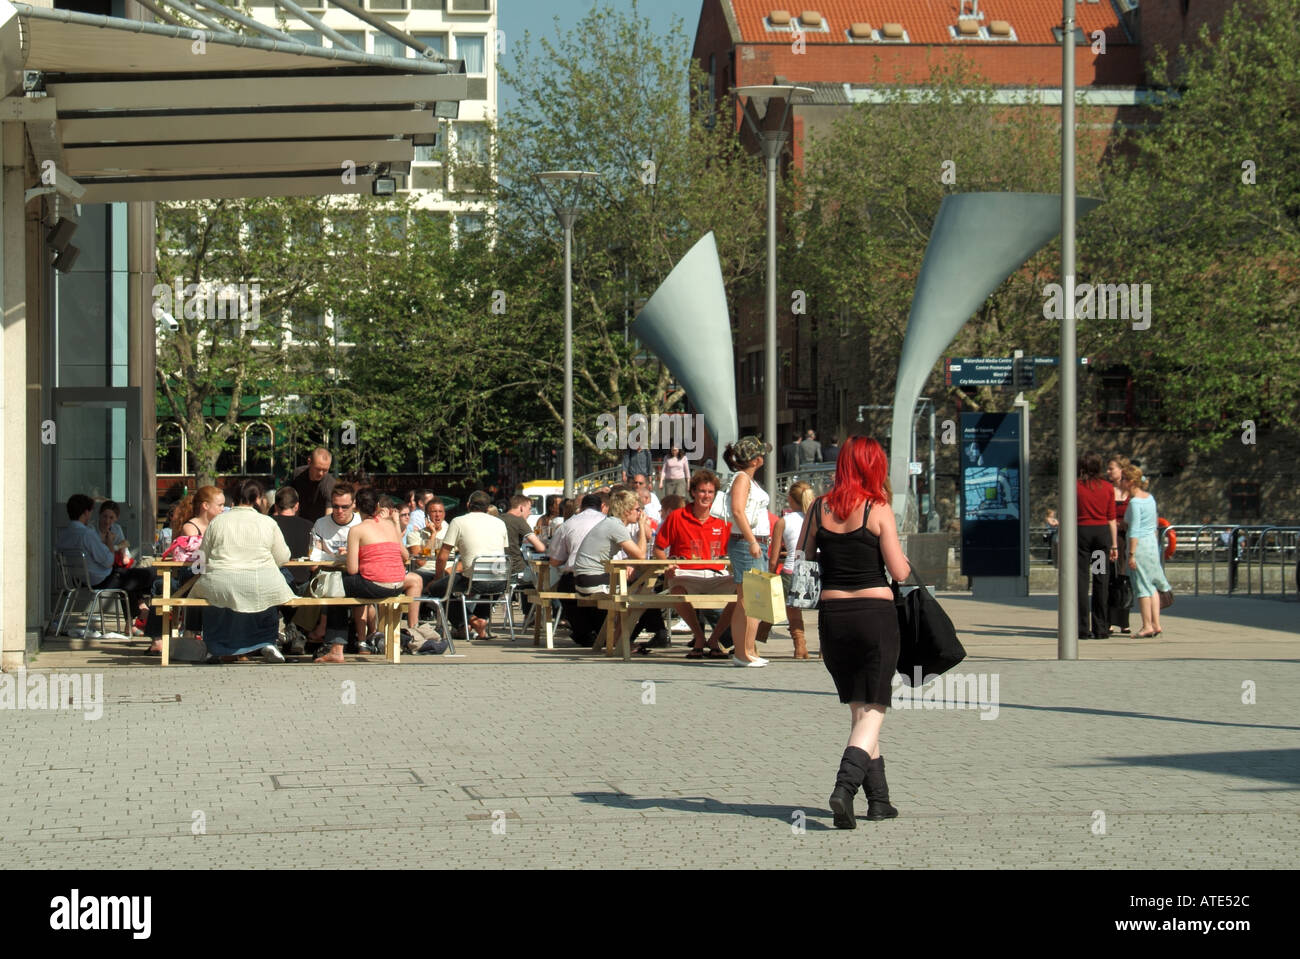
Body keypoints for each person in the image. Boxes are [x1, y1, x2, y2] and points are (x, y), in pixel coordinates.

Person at [797, 436, 910, 829]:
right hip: (874, 615)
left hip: (833, 618)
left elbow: (803, 562)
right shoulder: (878, 508)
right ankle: (843, 790)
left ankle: (879, 800)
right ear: (873, 466)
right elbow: (899, 572)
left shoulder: (817, 509)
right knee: (874, 708)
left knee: (861, 710)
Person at [190, 480, 295, 663]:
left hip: (221, 580)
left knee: (217, 595)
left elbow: (202, 556)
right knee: (266, 593)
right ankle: (266, 641)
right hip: (261, 579)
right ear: (256, 499)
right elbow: (282, 556)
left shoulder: (218, 522)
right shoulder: (267, 522)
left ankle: (217, 645)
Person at [315, 489, 424, 662]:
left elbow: (351, 569)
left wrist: (352, 555)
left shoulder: (357, 530)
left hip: (377, 585)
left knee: (335, 588)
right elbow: (404, 555)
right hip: (397, 584)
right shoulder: (389, 525)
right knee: (346, 586)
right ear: (378, 506)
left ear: (356, 507)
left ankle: (337, 648)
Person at [654, 469, 732, 659]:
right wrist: (667, 566)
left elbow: (730, 552)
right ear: (693, 492)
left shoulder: (723, 520)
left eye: (710, 492)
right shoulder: (677, 516)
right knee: (676, 591)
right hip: (686, 574)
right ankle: (699, 637)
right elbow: (658, 548)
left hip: (715, 574)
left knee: (743, 591)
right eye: (702, 491)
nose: (706, 496)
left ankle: (714, 639)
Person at [55, 495, 156, 637]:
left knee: (132, 580)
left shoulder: (65, 534)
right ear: (85, 512)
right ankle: (142, 613)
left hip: (78, 579)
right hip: (100, 579)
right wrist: (109, 543)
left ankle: (138, 613)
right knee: (151, 574)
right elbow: (108, 560)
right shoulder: (87, 534)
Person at [718, 435, 773, 667]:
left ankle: (747, 650)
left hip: (753, 541)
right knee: (750, 599)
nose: (763, 458)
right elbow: (738, 511)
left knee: (750, 598)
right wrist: (752, 541)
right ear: (754, 460)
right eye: (759, 454)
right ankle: (743, 651)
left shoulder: (746, 479)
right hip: (747, 541)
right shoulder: (742, 479)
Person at [572, 490, 650, 643]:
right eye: (637, 509)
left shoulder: (611, 523)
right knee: (643, 595)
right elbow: (641, 556)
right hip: (592, 581)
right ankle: (619, 641)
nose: (640, 512)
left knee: (641, 593)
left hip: (584, 579)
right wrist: (642, 526)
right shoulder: (616, 526)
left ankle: (617, 640)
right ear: (626, 511)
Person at [430, 490, 510, 640]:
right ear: (488, 508)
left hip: (472, 580)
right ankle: (480, 623)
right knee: (487, 587)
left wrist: (437, 578)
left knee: (437, 588)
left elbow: (442, 556)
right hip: (500, 581)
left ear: (468, 505)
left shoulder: (458, 522)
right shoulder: (500, 523)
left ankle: (469, 621)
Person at [548, 491, 610, 646]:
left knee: (564, 590)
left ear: (581, 507)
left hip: (575, 579)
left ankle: (584, 631)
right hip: (605, 577)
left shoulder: (568, 524)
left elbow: (555, 560)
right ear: (602, 506)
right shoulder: (610, 522)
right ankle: (598, 631)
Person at [1120, 465, 1171, 638]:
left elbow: (1134, 530)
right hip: (1151, 545)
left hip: (1140, 546)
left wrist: (1131, 554)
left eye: (1124, 479)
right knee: (1152, 587)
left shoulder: (1135, 502)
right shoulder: (1150, 498)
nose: (1122, 482)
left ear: (1131, 482)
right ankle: (1156, 624)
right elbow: (1153, 523)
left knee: (1142, 587)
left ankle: (1146, 625)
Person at [770, 481, 815, 659]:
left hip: (791, 569)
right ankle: (822, 650)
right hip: (814, 569)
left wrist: (771, 575)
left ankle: (799, 645)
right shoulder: (817, 518)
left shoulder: (783, 521)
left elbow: (774, 558)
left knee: (791, 609)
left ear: (789, 499)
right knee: (823, 611)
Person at [1076, 454, 1118, 640]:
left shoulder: (1075, 486)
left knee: (1081, 580)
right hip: (1101, 536)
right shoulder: (1107, 488)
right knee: (1100, 579)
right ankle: (1101, 627)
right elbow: (1111, 518)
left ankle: (1081, 627)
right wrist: (1114, 545)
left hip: (1081, 535)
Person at [503, 494, 548, 618]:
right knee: (543, 580)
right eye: (529, 509)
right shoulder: (519, 521)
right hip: (516, 569)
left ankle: (530, 615)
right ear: (521, 508)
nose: (529, 513)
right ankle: (532, 616)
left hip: (499, 569)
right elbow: (540, 548)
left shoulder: (499, 519)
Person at [1105, 456, 1133, 634]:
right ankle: (1107, 620)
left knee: (1122, 579)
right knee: (1105, 577)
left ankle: (1123, 620)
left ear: (1121, 470)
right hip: (1106, 539)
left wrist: (1126, 523)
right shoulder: (1106, 489)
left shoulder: (1130, 491)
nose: (1108, 472)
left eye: (1111, 468)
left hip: (1124, 540)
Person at [288, 447, 337, 523]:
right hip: (298, 521)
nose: (321, 473)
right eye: (318, 469)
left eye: (325, 470)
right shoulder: (297, 475)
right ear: (309, 462)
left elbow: (329, 514)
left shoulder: (330, 484)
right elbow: (289, 502)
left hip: (319, 525)